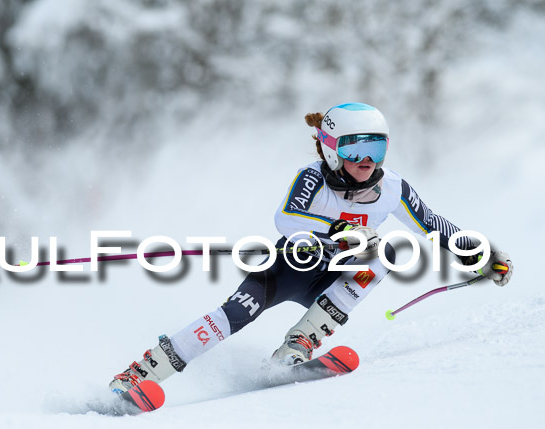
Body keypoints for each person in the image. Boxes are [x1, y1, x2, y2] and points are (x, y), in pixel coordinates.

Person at [108, 102, 513, 393]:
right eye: (357, 150)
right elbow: (288, 219)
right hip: (287, 270)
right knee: (231, 316)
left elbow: (431, 224)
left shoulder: (392, 188)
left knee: (387, 253)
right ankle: (142, 373)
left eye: (377, 149)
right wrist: (337, 229)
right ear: (333, 149)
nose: (367, 161)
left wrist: (481, 255)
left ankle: (296, 347)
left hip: (334, 279)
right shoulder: (311, 177)